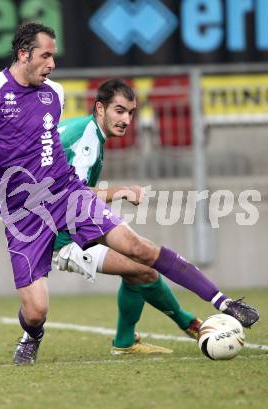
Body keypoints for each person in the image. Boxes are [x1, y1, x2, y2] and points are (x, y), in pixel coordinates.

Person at [0, 23, 259, 366]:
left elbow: (48, 151)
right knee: (36, 310)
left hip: (68, 196)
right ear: (23, 54)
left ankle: (223, 302)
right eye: (45, 55)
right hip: (23, 215)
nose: (52, 63)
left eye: (53, 56)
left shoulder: (54, 94)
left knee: (138, 250)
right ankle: (32, 335)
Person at [54, 79, 202, 355]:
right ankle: (190, 324)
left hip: (65, 224)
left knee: (139, 267)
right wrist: (122, 191)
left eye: (131, 113)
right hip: (59, 239)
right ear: (100, 108)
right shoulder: (86, 138)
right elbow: (76, 195)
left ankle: (124, 343)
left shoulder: (81, 128)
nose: (126, 120)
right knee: (143, 269)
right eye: (119, 111)